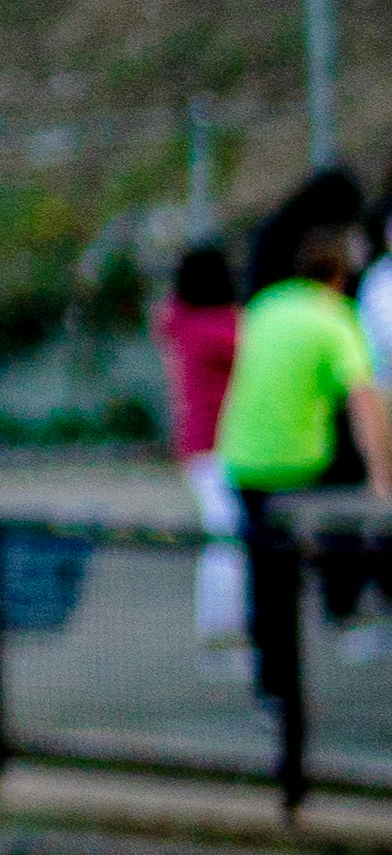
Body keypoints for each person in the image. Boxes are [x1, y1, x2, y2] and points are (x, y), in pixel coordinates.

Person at [217, 187, 392, 713]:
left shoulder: (265, 305)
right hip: (298, 462)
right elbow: (365, 405)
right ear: (339, 276)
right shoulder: (334, 318)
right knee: (347, 537)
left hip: (243, 457)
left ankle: (275, 687)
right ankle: (352, 614)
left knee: (266, 573)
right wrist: (383, 475)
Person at [164, 239, 247, 661]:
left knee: (225, 537)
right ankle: (221, 633)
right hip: (218, 444)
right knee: (227, 538)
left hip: (201, 443)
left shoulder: (181, 321)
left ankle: (222, 631)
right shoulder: (221, 326)